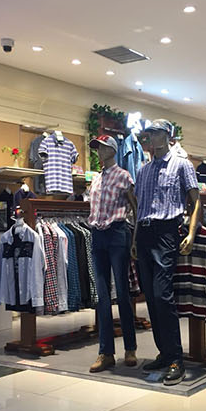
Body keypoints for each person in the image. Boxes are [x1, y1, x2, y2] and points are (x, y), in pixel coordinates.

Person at [132, 120, 200, 385]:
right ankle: (164, 353)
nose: (152, 137)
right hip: (145, 233)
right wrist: (135, 239)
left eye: (157, 133)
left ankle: (176, 359)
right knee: (150, 297)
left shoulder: (182, 165)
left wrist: (191, 232)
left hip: (166, 232)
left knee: (163, 295)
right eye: (150, 133)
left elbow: (195, 201)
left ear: (168, 136)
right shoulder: (143, 171)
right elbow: (139, 209)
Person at [85, 135, 139, 373]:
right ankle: (105, 352)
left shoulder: (124, 176)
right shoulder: (96, 178)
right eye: (97, 148)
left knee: (123, 292)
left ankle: (130, 347)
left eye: (103, 147)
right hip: (97, 234)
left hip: (117, 233)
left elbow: (135, 208)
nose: (99, 151)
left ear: (113, 150)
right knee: (102, 296)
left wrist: (135, 239)